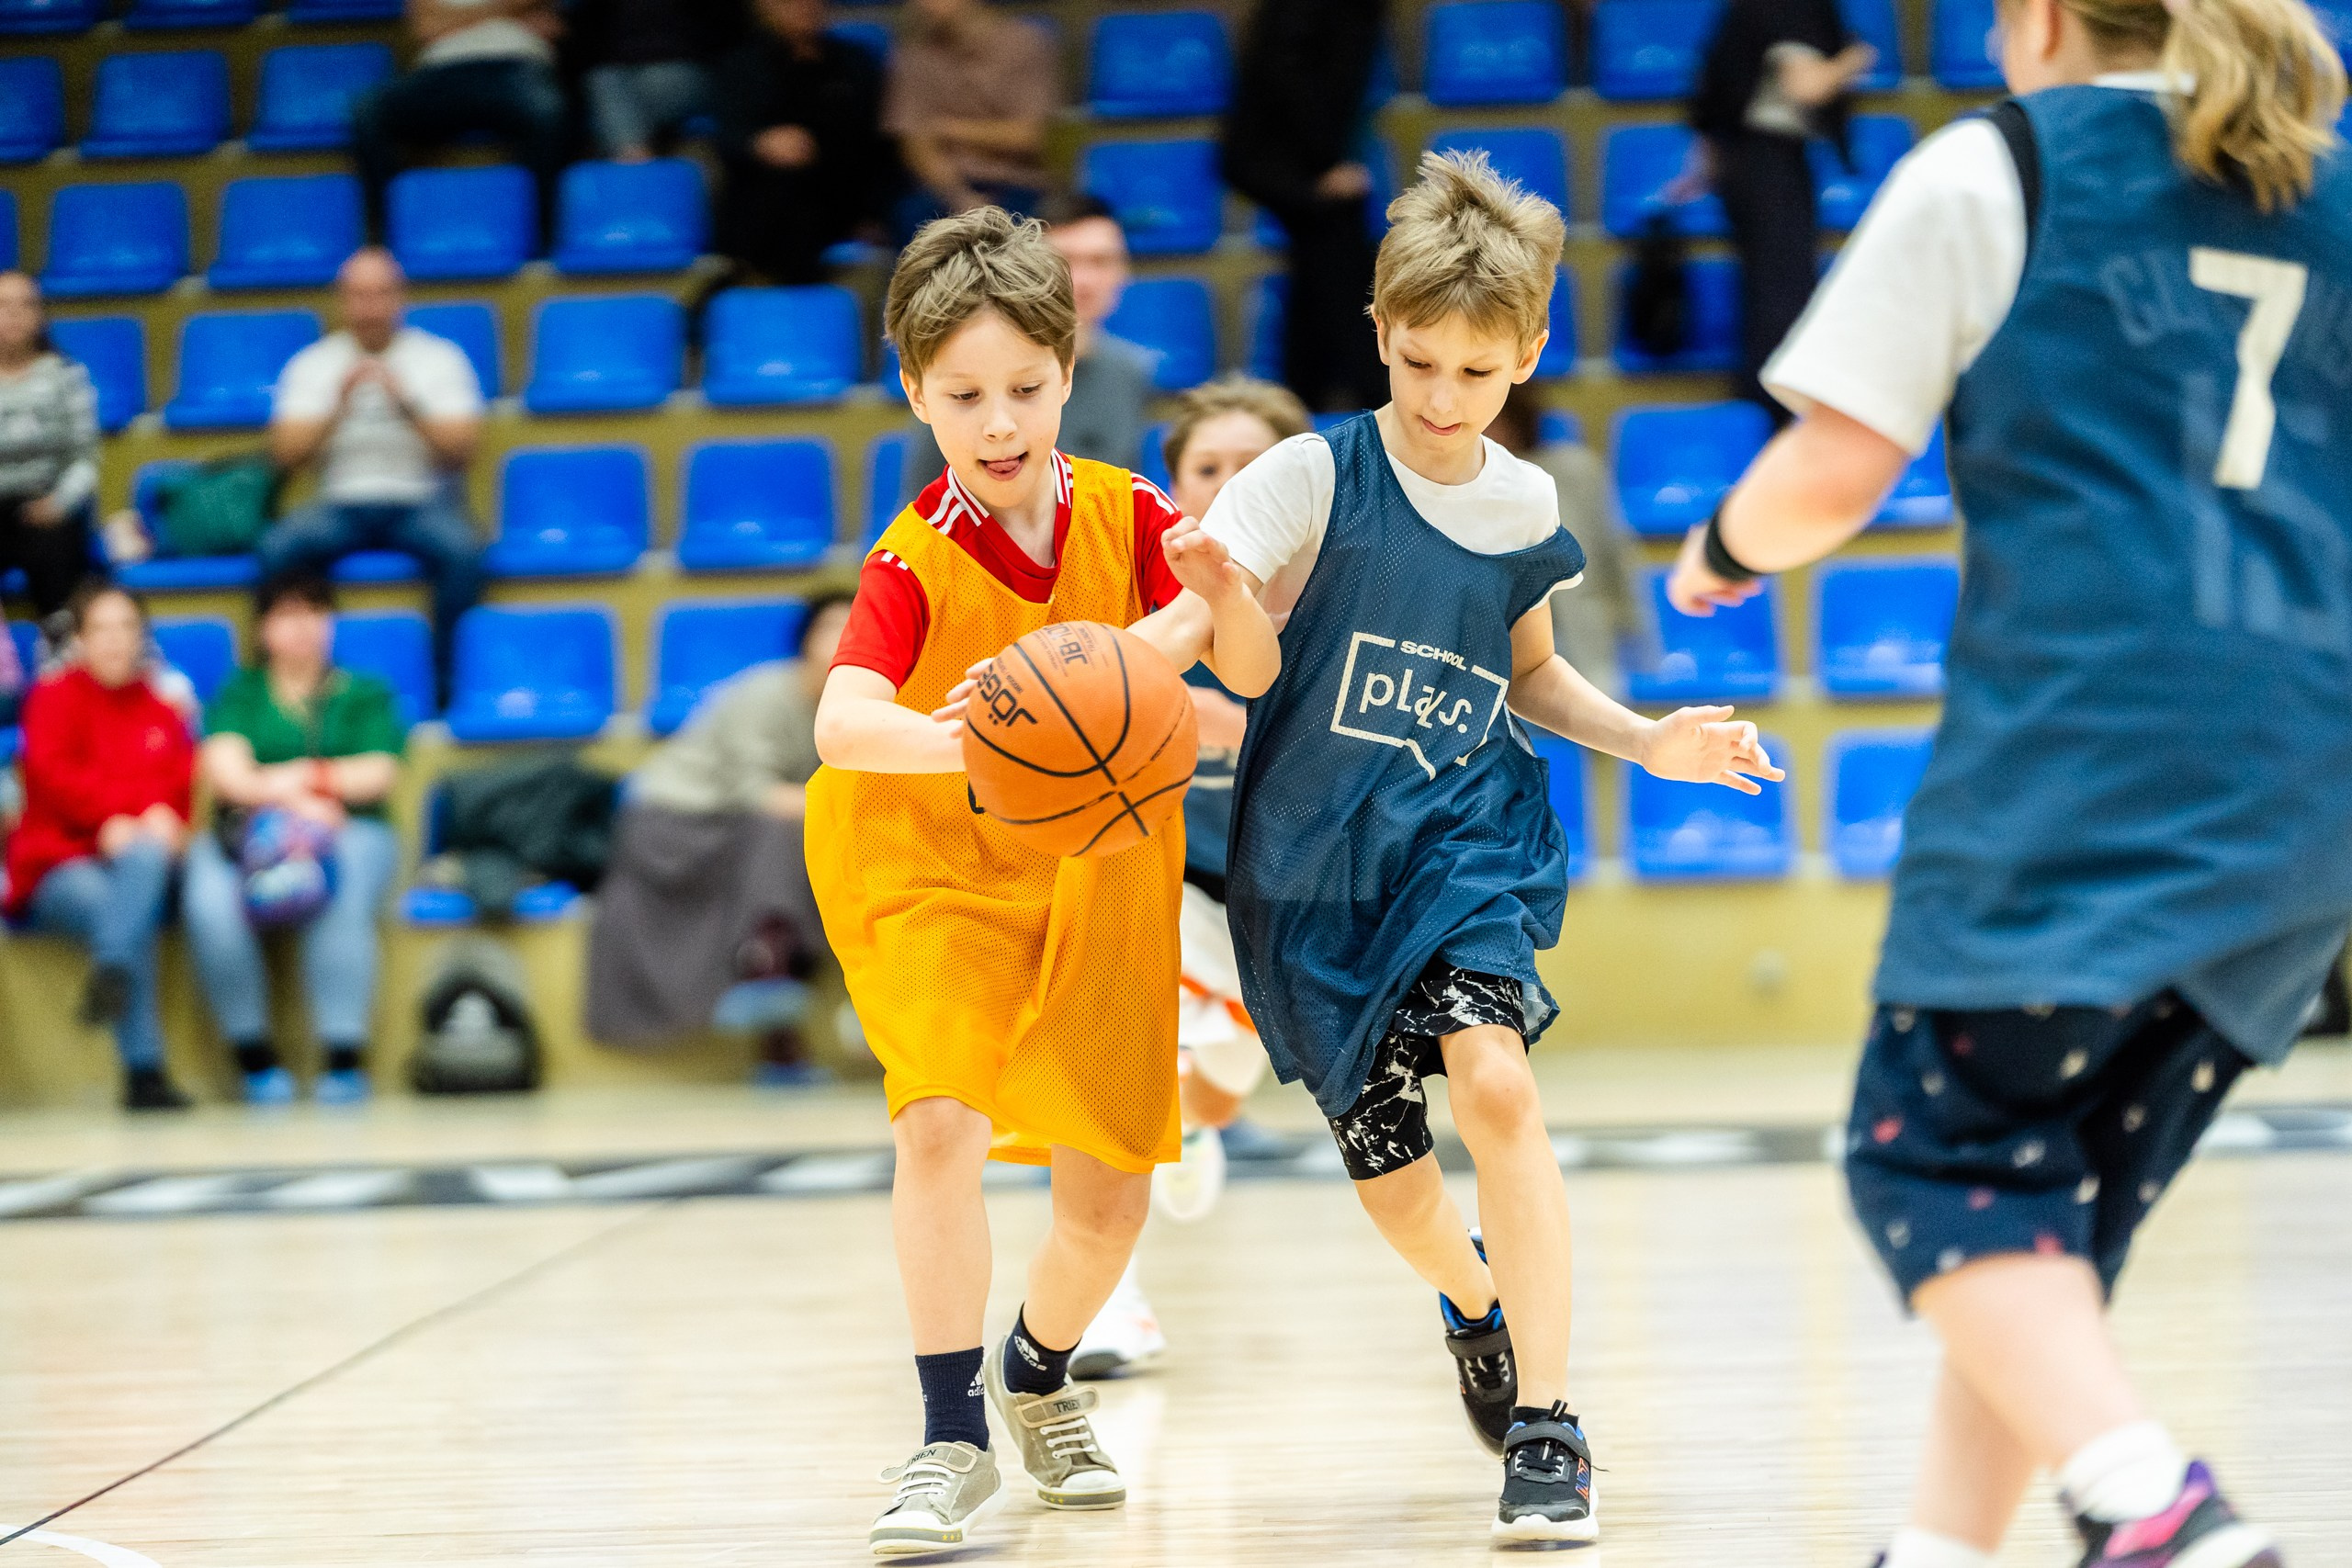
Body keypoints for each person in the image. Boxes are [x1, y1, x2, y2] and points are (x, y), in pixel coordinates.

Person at [1662, 0, 2347, 1556]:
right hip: (2315, 770)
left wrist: (1716, 553)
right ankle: (1945, 1548)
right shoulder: (2332, 182)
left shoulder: (1999, 168)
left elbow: (1836, 465)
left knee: (1940, 1160)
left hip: (2104, 741)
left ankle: (2152, 1507)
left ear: (2039, 17)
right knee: (2043, 1218)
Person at [1159, 151, 1779, 1542]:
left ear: (1529, 355)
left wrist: (1651, 738)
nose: (1443, 398)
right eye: (1420, 360)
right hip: (1312, 878)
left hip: (1462, 838)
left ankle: (1551, 1428)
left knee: (1496, 1088)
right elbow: (1243, 673)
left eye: (1477, 372)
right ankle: (1477, 1301)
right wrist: (1183, 608)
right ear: (1380, 330)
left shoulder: (1524, 505)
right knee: (1397, 1191)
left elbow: (1533, 676)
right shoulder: (1304, 475)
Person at [805, 207, 1265, 1556]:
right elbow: (842, 720)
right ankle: (951, 1434)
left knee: (1108, 1188)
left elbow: (1239, 663)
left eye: (1023, 388)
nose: (997, 421)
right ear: (915, 392)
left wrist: (1214, 597)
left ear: (1069, 373)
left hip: (1102, 856)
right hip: (934, 853)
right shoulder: (911, 552)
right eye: (963, 396)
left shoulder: (1133, 511)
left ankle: (1038, 1369)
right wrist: (982, 733)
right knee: (936, 1121)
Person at [1070, 374, 1312, 1383]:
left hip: (1279, 901)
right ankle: (1104, 1306)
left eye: (1252, 469)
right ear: (1172, 489)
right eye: (1206, 469)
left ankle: (1196, 1128)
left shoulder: (1343, 599)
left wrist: (1243, 725)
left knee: (1208, 1097)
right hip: (1151, 876)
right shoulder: (1134, 601)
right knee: (1111, 1091)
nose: (1228, 486)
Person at [585, 593, 852, 1078]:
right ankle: (767, 971)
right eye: (832, 625)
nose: (844, 637)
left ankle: (772, 978)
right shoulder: (763, 694)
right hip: (674, 826)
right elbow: (760, 797)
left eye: (858, 624)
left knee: (800, 847)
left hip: (741, 833)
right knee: (782, 836)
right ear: (805, 641)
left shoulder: (858, 708)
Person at [181, 572, 406, 1109]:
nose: (303, 626)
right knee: (209, 898)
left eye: (314, 612)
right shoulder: (239, 692)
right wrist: (306, 790)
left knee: (337, 882)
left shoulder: (364, 691)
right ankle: (254, 1058)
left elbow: (377, 773)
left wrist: (287, 782)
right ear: (262, 628)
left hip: (350, 828)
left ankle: (343, 1058)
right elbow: (228, 776)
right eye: (286, 613)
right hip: (247, 835)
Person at [5, 584, 196, 1112]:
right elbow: (51, 781)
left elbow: (175, 795)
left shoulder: (163, 709)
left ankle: (110, 974)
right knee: (119, 902)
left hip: (138, 862)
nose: (114, 641)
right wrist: (114, 821)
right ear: (81, 640)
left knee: (143, 865)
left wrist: (138, 823)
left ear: (142, 638)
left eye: (126, 628)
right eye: (101, 629)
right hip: (58, 864)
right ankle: (145, 1074)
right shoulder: (51, 697)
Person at [263, 249, 486, 702]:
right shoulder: (313, 363)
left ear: (400, 298)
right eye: (359, 296)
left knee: (464, 551)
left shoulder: (440, 359)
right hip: (340, 503)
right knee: (277, 549)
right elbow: (285, 457)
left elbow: (462, 453)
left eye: (381, 294)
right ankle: (279, 684)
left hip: (419, 500)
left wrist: (406, 403)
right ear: (343, 301)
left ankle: (447, 686)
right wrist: (337, 407)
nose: (370, 307)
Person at [1681, 0, 1878, 415]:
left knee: (1765, 290)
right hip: (1771, 161)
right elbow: (1807, 85)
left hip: (1743, 163)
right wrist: (1855, 57)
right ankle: (1782, 411)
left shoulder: (1743, 10)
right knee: (1783, 294)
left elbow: (1711, 91)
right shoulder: (1790, 7)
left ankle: (1767, 408)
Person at [901, 195, 1156, 492]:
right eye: (1066, 261)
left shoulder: (1131, 371)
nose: (1083, 280)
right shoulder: (968, 366)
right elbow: (920, 505)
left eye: (1100, 261)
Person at [1221, 0, 1392, 412]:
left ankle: (1314, 415)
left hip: (1304, 175)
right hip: (1296, 168)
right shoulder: (1310, 17)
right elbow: (1287, 77)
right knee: (1346, 311)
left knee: (1324, 309)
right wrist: (1325, 168)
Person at [351, 0, 571, 241]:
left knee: (549, 113)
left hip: (519, 66)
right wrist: (508, 11)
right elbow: (426, 27)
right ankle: (380, 242)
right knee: (369, 111)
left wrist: (453, 19)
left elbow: (556, 25)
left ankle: (543, 243)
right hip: (442, 72)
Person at [712, 0, 897, 286]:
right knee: (779, 199)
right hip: (771, 196)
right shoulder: (742, 66)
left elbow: (881, 147)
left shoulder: (855, 63)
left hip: (840, 196)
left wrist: (872, 212)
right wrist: (760, 143)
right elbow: (728, 138)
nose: (802, 7)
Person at [1487, 385, 1649, 697]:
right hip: (1490, 663)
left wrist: (1640, 640)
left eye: (1494, 418)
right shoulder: (1443, 488)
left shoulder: (1575, 472)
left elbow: (1617, 559)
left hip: (1584, 649)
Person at [883, 0, 1058, 235]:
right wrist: (960, 198)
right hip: (943, 190)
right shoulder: (913, 57)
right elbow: (916, 146)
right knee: (909, 213)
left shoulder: (1026, 43)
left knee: (1031, 226)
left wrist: (949, 129)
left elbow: (1031, 137)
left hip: (1017, 187)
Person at [0, 271, 102, 626]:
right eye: (3, 305)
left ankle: (59, 645)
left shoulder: (67, 377)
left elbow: (86, 461)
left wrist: (60, 502)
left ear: (40, 316)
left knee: (56, 542)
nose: (13, 314)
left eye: (25, 304)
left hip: (49, 505)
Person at [568, 0, 741, 163]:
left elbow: (725, 28)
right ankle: (640, 168)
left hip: (683, 69)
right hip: (620, 76)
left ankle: (635, 170)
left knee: (610, 95)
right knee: (603, 81)